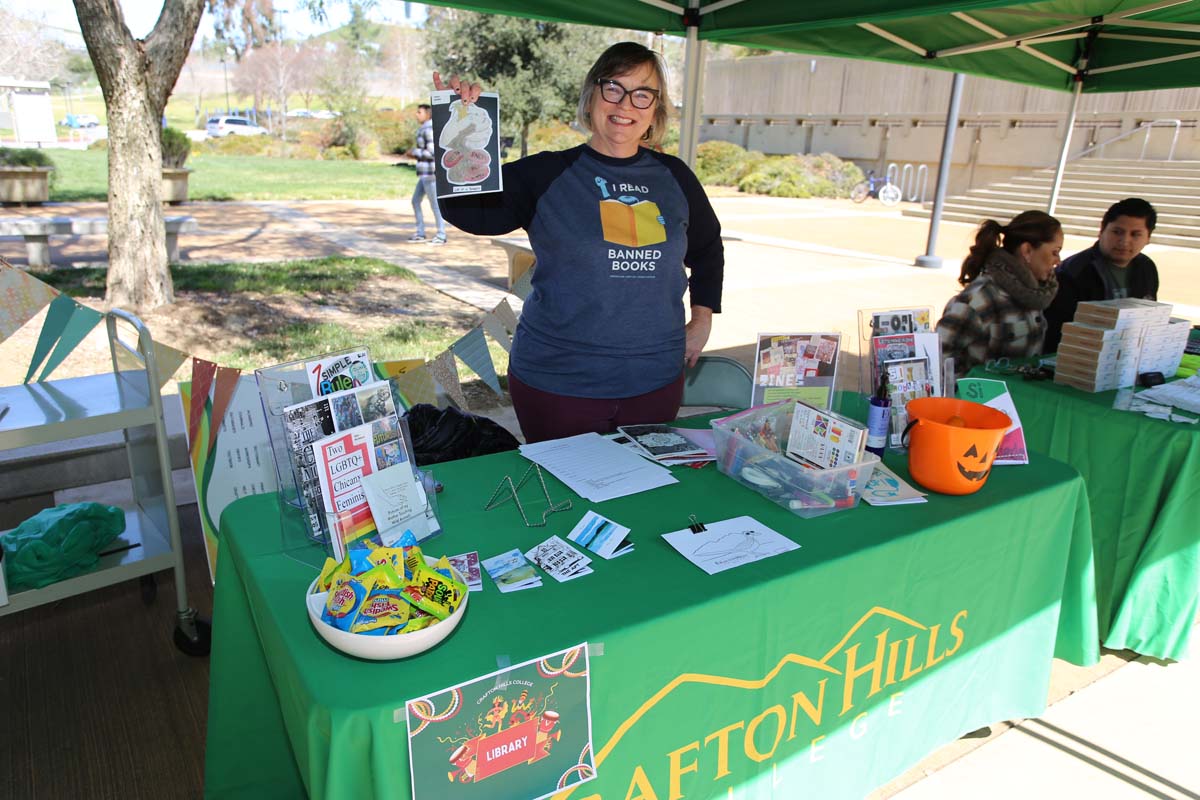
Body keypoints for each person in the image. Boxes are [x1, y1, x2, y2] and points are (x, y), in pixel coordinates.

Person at [435, 42, 724, 443]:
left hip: (655, 382)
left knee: (641, 495)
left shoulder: (675, 177)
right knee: (564, 498)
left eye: (643, 93)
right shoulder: (547, 173)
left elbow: (708, 249)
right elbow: (468, 212)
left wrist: (703, 319)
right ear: (591, 96)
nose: (626, 104)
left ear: (656, 109)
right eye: (614, 88)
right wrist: (458, 130)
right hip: (558, 384)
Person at [936, 210, 1062, 378]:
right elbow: (938, 356)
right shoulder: (981, 298)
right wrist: (971, 394)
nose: (1058, 261)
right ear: (1027, 251)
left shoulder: (1034, 294)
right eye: (1055, 252)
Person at [1043, 198, 1158, 352]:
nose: (1124, 241)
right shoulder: (1074, 271)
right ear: (1102, 230)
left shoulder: (1147, 268)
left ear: (1148, 238)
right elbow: (1057, 330)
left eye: (1135, 234)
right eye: (1117, 232)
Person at [408, 103, 446, 245]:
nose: (416, 115)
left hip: (430, 174)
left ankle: (441, 235)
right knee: (415, 201)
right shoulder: (424, 128)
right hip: (424, 174)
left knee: (435, 205)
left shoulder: (429, 129)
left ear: (428, 114)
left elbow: (432, 152)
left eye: (419, 112)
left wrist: (414, 152)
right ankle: (420, 233)